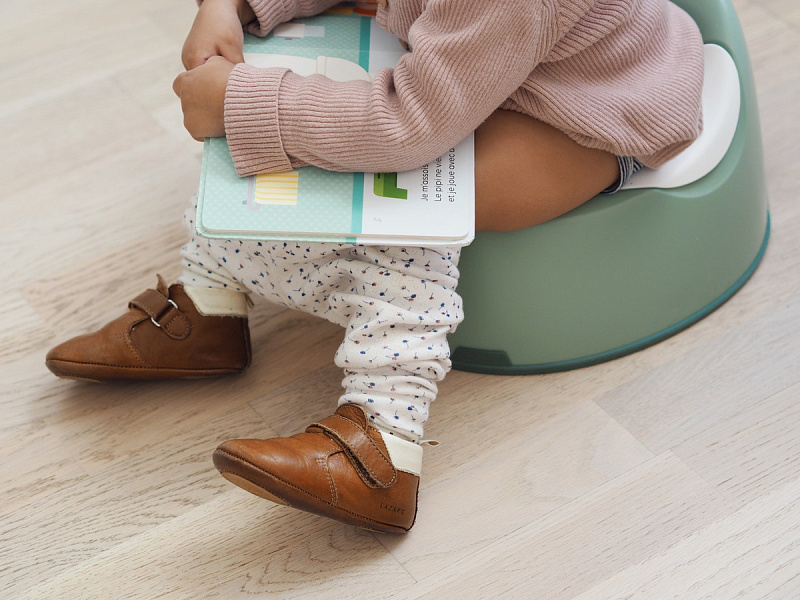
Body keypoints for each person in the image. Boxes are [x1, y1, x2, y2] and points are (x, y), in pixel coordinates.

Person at [45, 0, 703, 533]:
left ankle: (384, 447)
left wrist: (248, 104)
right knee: (282, 92)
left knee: (410, 205)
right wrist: (233, 7)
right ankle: (213, 297)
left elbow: (407, 129)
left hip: (583, 108)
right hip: (469, 59)